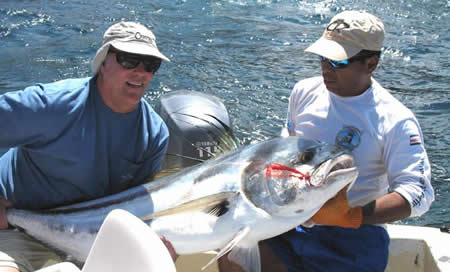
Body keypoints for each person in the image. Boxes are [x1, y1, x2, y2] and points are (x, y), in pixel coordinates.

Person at [258, 10, 435, 272]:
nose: (326, 68)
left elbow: (418, 193)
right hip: (292, 223)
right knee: (233, 251)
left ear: (371, 64)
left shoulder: (396, 119)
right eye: (323, 58)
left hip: (354, 239)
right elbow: (288, 148)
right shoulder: (303, 92)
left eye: (338, 62)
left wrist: (352, 216)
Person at [0, 22, 174, 272]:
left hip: (90, 237)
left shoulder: (155, 135)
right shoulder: (52, 105)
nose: (140, 72)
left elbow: (135, 208)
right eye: (128, 60)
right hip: (17, 225)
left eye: (150, 65)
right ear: (103, 62)